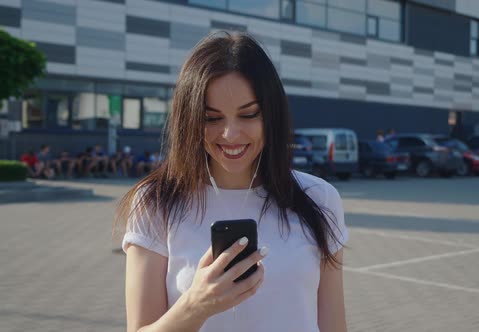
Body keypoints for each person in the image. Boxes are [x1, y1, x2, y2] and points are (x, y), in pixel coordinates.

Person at [114, 32, 348, 332]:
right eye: (212, 118)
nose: (230, 135)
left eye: (248, 114)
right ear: (189, 120)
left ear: (271, 115)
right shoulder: (156, 201)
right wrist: (195, 306)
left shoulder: (319, 199)